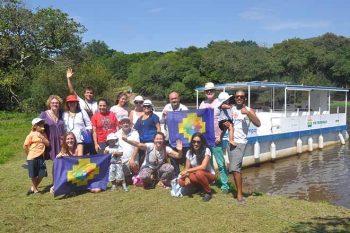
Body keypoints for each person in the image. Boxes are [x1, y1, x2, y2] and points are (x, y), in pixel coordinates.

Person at [229, 90, 261, 203]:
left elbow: (258, 123)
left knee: (236, 169)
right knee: (233, 169)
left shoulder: (249, 110)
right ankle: (238, 191)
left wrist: (248, 113)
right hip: (230, 142)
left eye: (241, 97)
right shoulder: (231, 109)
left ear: (245, 98)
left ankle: (239, 195)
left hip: (240, 142)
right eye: (237, 96)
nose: (239, 98)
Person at [199, 82, 230, 193]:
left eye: (211, 90)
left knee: (220, 163)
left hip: (216, 139)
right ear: (204, 92)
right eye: (207, 90)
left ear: (214, 91)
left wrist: (220, 137)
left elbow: (226, 122)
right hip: (205, 140)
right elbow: (198, 121)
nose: (209, 92)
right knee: (208, 163)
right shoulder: (202, 104)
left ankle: (225, 185)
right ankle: (211, 180)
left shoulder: (220, 103)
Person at [178, 133, 216, 202]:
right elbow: (187, 168)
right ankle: (199, 187)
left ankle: (208, 192)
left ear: (202, 142)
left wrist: (187, 171)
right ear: (191, 142)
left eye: (198, 142)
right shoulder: (189, 152)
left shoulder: (206, 150)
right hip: (196, 174)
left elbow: (203, 167)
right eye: (194, 141)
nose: (196, 144)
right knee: (181, 181)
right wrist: (186, 177)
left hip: (209, 175)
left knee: (199, 173)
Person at [161, 91, 188, 175]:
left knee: (185, 157)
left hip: (183, 138)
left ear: (179, 99)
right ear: (169, 100)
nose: (174, 100)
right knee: (173, 157)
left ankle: (186, 173)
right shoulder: (167, 107)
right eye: (172, 99)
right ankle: (176, 174)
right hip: (171, 138)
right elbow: (162, 121)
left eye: (175, 98)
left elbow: (188, 124)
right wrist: (163, 115)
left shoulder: (185, 109)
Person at [23, 118, 49, 195]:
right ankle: (35, 190)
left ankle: (33, 188)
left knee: (42, 174)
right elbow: (25, 146)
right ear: (34, 126)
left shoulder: (43, 134)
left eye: (42, 124)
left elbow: (48, 144)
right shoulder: (31, 134)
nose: (42, 126)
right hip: (32, 157)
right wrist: (29, 154)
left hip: (41, 157)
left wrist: (41, 137)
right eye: (39, 124)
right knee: (33, 175)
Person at [133, 99, 160, 165]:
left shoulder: (154, 117)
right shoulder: (140, 118)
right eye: (145, 106)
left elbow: (158, 129)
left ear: (151, 107)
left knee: (152, 161)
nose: (146, 108)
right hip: (141, 143)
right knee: (142, 160)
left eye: (148, 106)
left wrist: (157, 141)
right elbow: (135, 129)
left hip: (151, 142)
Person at [39, 95, 65, 161]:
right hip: (50, 142)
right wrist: (42, 135)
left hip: (61, 142)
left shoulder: (62, 114)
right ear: (49, 104)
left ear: (59, 104)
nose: (55, 104)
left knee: (62, 161)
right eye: (53, 103)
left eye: (57, 103)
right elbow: (37, 126)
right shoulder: (44, 114)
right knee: (54, 162)